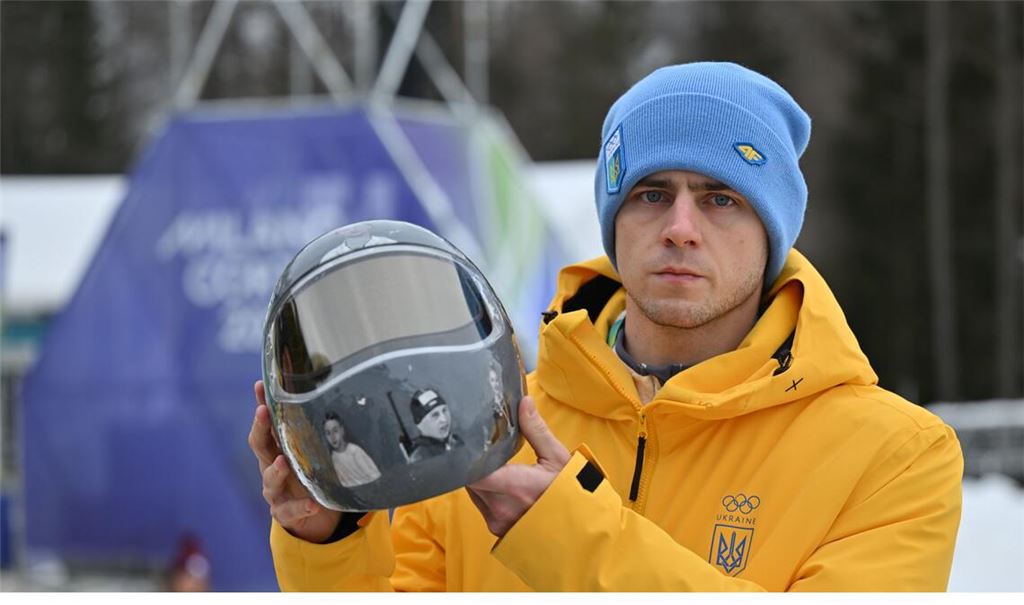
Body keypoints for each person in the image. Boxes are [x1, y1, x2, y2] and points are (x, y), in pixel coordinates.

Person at [248, 62, 963, 591]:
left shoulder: (896, 455)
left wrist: (568, 535)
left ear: (772, 230)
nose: (680, 228)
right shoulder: (481, 427)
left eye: (720, 199)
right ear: (614, 219)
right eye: (651, 193)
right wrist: (328, 538)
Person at [323, 412, 380, 487]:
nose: (332, 437)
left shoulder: (355, 451)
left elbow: (375, 476)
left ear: (342, 430)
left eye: (335, 431)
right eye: (328, 433)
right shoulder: (332, 458)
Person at [405, 389, 463, 462]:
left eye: (444, 410)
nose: (444, 419)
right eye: (435, 415)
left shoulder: (457, 441)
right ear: (420, 424)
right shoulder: (420, 457)